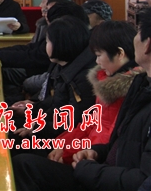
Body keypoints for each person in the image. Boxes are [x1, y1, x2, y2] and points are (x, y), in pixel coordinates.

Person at [12, 8, 151, 191]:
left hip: (101, 172)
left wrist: (81, 160)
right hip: (94, 161)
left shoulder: (126, 88)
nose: (96, 61)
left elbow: (140, 176)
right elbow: (98, 130)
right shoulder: (128, 84)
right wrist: (89, 152)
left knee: (23, 161)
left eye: (99, 55)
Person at [48, 20, 141, 165]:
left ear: (119, 53)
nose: (97, 62)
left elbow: (108, 140)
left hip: (95, 162)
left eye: (99, 55)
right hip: (86, 154)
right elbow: (91, 123)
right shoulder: (106, 81)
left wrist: (70, 154)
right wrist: (63, 146)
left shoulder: (131, 90)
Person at [9, 15, 96, 152]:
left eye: (48, 41)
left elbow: (72, 123)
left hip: (65, 142)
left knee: (10, 138)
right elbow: (57, 104)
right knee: (7, 122)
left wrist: (36, 127)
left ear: (61, 44)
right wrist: (32, 110)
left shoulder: (83, 79)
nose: (45, 46)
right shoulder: (63, 66)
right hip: (52, 129)